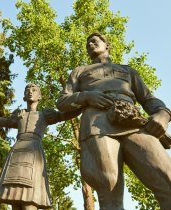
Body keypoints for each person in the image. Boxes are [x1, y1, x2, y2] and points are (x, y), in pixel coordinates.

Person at [56, 33, 171, 210]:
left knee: (167, 177)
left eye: (95, 41)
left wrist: (163, 113)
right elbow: (63, 102)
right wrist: (86, 96)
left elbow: (148, 99)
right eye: (87, 43)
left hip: (134, 123)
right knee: (109, 187)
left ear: (107, 45)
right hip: (98, 124)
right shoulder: (79, 71)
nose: (90, 44)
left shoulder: (128, 71)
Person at [0, 83, 78, 210]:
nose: (30, 92)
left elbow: (64, 115)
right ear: (23, 96)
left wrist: (84, 102)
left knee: (30, 201)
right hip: (16, 153)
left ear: (40, 96)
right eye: (27, 90)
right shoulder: (19, 115)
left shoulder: (44, 115)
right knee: (14, 199)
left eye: (34, 90)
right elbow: (0, 120)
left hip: (33, 152)